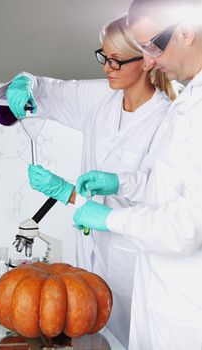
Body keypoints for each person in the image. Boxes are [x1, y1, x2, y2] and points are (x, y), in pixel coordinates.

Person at [2, 14, 179, 348]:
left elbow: (159, 205)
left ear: (145, 61)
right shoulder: (100, 97)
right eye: (103, 56)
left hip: (134, 270)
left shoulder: (168, 119)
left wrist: (68, 194)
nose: (106, 67)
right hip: (87, 270)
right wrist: (21, 84)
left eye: (115, 60)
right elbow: (42, 89)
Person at [73, 1, 202, 349]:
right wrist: (121, 183)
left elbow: (185, 228)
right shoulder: (190, 102)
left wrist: (112, 219)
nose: (148, 62)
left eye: (152, 47)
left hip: (186, 313)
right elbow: (170, 189)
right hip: (162, 300)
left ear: (186, 32)